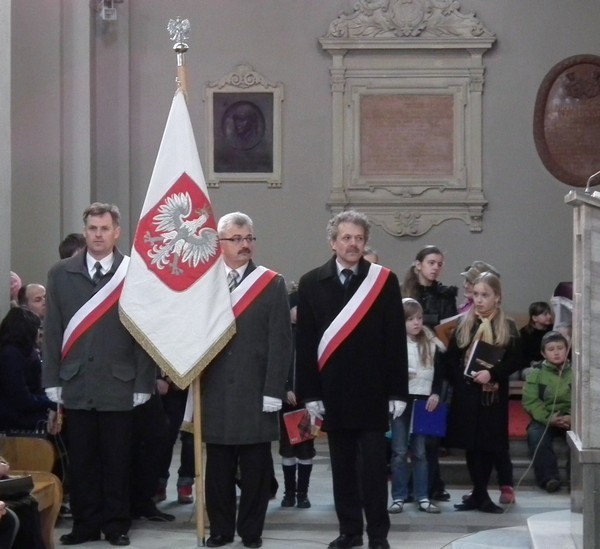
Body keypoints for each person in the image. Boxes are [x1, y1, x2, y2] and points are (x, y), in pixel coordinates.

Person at [42, 202, 156, 547]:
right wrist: (51, 379)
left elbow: (144, 331)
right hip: (76, 382)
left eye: (105, 229)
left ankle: (116, 525)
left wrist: (143, 380)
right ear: (85, 230)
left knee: (118, 461)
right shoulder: (60, 273)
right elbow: (54, 330)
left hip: (119, 384)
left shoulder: (133, 272)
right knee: (82, 461)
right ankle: (85, 525)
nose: (98, 235)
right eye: (92, 228)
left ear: (117, 232)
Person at [296, 210, 408, 549]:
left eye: (359, 238)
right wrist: (310, 393)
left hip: (373, 392)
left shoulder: (383, 281)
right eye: (346, 238)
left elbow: (394, 338)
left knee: (374, 469)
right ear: (333, 242)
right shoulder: (311, 282)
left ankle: (377, 534)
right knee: (342, 468)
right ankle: (349, 532)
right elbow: (305, 342)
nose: (353, 244)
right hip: (333, 393)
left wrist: (398, 391)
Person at [201, 212, 291, 549]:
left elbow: (281, 342)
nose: (244, 245)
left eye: (249, 238)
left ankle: (251, 531)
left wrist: (274, 389)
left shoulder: (271, 283)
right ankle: (221, 530)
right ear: (220, 243)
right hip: (216, 390)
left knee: (255, 470)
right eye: (236, 239)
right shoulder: (204, 283)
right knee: (219, 469)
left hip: (256, 392)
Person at [445, 272, 524, 514]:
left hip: (492, 396)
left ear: (497, 298)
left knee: (488, 444)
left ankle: (480, 494)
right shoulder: (465, 323)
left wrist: (493, 374)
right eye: (476, 294)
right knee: (471, 445)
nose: (479, 300)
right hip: (468, 395)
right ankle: (479, 494)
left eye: (485, 295)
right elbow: (450, 360)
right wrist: (462, 381)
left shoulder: (507, 326)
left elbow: (516, 359)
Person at [402, 245, 457, 503]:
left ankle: (433, 485)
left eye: (439, 263)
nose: (435, 267)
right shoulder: (405, 294)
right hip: (411, 367)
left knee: (430, 433)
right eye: (431, 262)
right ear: (418, 265)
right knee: (407, 438)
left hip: (438, 364)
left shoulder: (446, 295)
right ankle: (411, 488)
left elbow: (449, 331)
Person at [388, 298, 444, 515]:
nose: (416, 323)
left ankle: (423, 496)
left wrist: (436, 393)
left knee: (420, 452)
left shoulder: (431, 342)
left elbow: (439, 373)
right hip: (401, 401)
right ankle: (399, 496)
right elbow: (388, 372)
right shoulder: (394, 343)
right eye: (410, 319)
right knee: (399, 451)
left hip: (424, 402)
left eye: (419, 318)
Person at [522, 331, 571, 493]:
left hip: (572, 417)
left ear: (567, 349)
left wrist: (573, 417)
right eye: (551, 349)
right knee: (536, 435)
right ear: (543, 353)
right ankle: (548, 478)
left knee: (584, 437)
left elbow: (585, 397)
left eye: (560, 348)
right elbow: (530, 401)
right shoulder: (536, 373)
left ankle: (577, 480)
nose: (556, 352)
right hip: (545, 418)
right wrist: (549, 418)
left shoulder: (578, 371)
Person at [279, 288, 315, 510]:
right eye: (295, 308)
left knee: (304, 447)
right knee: (287, 448)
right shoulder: (282, 333)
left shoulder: (311, 335)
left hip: (305, 402)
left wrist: (310, 394)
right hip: (286, 401)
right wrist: (284, 388)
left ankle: (303, 493)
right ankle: (289, 492)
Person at [0, 307, 57, 432]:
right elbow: (21, 399)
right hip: (15, 418)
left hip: (24, 412)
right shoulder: (10, 356)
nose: (40, 332)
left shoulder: (26, 353)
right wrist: (52, 402)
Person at [519, 301, 553, 367]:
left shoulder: (553, 330)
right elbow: (521, 356)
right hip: (530, 365)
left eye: (549, 313)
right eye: (545, 314)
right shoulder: (524, 333)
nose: (549, 316)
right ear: (534, 318)